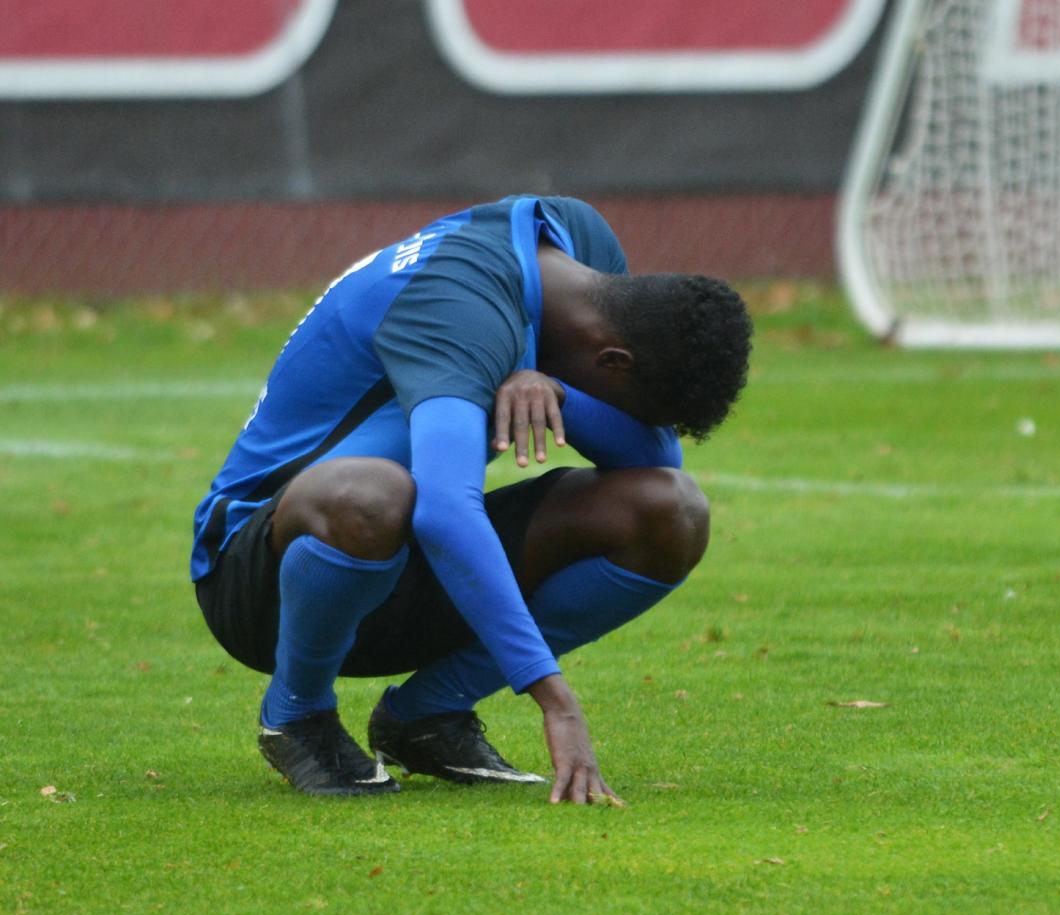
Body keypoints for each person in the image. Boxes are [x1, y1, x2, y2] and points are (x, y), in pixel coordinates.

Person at [190, 195, 752, 803]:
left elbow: (655, 461)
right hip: (265, 578)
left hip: (407, 559)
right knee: (373, 494)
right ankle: (297, 714)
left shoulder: (579, 254)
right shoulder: (459, 300)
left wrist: (554, 388)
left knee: (673, 512)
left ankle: (427, 715)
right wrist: (553, 699)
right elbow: (446, 511)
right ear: (612, 359)